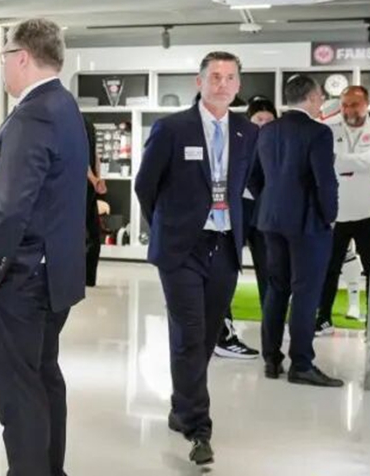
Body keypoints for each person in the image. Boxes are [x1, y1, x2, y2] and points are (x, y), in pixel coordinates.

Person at [0, 19, 87, 476]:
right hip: (52, 274)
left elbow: (13, 204)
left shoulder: (33, 113)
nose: (3, 68)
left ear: (23, 57)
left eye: (5, 57)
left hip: (19, 279)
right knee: (43, 378)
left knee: (18, 393)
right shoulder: (64, 105)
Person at [135, 52, 259, 466]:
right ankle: (198, 427)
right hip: (182, 249)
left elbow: (248, 185)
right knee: (190, 333)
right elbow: (145, 185)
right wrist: (169, 228)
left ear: (238, 85)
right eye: (215, 76)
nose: (222, 84)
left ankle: (181, 406)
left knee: (205, 336)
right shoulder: (172, 128)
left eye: (230, 78)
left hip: (223, 246)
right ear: (199, 82)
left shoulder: (246, 131)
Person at [249, 75, 342, 389]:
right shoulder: (318, 132)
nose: (321, 102)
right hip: (307, 223)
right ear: (313, 98)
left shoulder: (266, 130)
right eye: (320, 98)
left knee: (276, 288)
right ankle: (301, 364)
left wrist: (270, 200)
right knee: (305, 292)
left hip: (271, 220)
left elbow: (252, 176)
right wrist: (329, 216)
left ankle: (271, 359)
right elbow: (325, 180)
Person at [317, 86, 370, 333]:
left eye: (355, 104)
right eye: (345, 105)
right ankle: (322, 318)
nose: (349, 110)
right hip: (334, 213)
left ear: (367, 104)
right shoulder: (326, 129)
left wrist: (337, 162)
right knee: (327, 270)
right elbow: (322, 162)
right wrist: (358, 164)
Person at [213, 99, 277, 360]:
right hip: (235, 212)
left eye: (269, 120)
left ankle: (272, 329)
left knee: (270, 273)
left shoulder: (278, 143)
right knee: (225, 272)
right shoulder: (236, 140)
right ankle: (223, 333)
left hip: (265, 216)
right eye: (258, 120)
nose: (263, 125)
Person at [83, 118, 107, 288]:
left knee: (84, 232)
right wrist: (97, 179)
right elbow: (94, 156)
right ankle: (89, 278)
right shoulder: (89, 124)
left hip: (80, 185)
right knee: (92, 231)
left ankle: (82, 277)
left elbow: (80, 156)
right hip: (90, 185)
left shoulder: (75, 123)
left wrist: (94, 179)